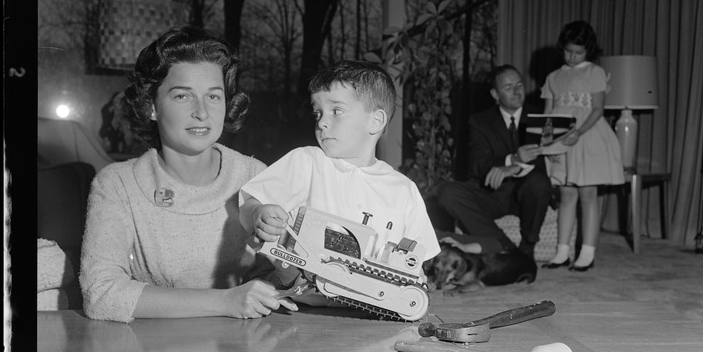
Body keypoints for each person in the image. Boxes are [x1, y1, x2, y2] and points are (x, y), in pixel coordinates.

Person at [80, 24, 298, 352]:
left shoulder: (257, 175)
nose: (202, 111)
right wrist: (225, 301)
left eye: (213, 95)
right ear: (152, 106)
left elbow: (291, 276)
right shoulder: (118, 184)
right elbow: (101, 294)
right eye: (182, 95)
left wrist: (287, 261)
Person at [238, 60, 441, 297]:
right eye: (318, 112)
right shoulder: (307, 162)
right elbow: (249, 202)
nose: (322, 122)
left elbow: (417, 258)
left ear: (375, 121)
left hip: (376, 310)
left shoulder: (404, 189)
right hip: (306, 306)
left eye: (337, 111)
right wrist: (258, 214)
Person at [435, 64, 554, 260]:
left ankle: (528, 247)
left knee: (538, 182)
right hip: (491, 192)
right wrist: (513, 159)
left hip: (526, 195)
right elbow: (479, 164)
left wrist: (513, 166)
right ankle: (506, 247)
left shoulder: (540, 118)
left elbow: (543, 164)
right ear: (495, 94)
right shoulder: (480, 121)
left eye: (519, 85)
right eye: (508, 88)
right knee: (448, 192)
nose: (516, 91)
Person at [540, 20, 624, 271]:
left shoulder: (595, 72)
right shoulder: (554, 77)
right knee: (566, 195)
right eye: (568, 51)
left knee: (588, 195)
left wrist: (580, 132)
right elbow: (548, 116)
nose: (573, 57)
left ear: (589, 50)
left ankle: (587, 252)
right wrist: (548, 146)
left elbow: (598, 109)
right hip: (562, 140)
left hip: (587, 137)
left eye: (578, 52)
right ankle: (562, 252)